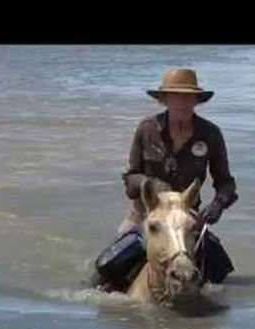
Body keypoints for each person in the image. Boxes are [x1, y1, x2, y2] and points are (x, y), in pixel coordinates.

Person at [91, 68, 238, 292]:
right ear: (164, 100)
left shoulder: (211, 134)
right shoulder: (147, 129)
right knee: (106, 268)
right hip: (147, 217)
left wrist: (218, 204)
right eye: (175, 96)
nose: (182, 102)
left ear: (196, 100)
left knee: (221, 271)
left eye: (188, 97)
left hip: (186, 220)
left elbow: (226, 182)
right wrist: (150, 185)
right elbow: (130, 177)